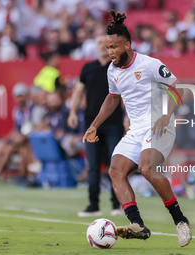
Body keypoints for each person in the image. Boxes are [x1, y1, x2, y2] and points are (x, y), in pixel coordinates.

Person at [81, 10, 192, 247]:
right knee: (115, 171)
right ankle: (137, 225)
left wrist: (166, 115)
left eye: (114, 46)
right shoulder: (112, 71)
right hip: (136, 130)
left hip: (159, 126)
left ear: (128, 45)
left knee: (146, 167)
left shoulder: (150, 64)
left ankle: (180, 221)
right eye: (108, 47)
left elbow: (179, 89)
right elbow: (112, 99)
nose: (110, 51)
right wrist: (94, 125)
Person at [68, 34, 124, 217]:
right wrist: (72, 112)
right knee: (92, 166)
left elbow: (125, 94)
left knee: (114, 165)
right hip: (92, 123)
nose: (102, 46)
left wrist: (128, 119)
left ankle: (117, 204)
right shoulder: (88, 68)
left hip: (114, 123)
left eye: (105, 44)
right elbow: (78, 92)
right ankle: (93, 204)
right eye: (99, 43)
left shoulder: (118, 67)